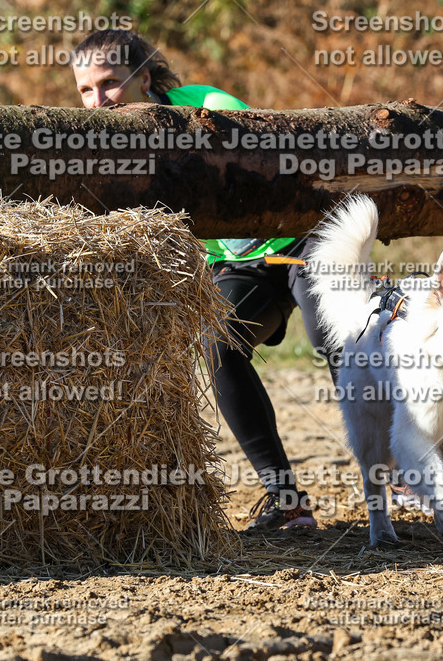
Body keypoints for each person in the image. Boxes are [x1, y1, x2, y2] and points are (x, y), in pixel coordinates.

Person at [72, 29, 330, 531]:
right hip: (242, 265)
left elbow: (269, 160)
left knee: (333, 337)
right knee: (217, 344)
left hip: (301, 238)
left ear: (143, 78)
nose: (99, 102)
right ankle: (286, 500)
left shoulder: (209, 104)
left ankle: (401, 472)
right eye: (85, 90)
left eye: (110, 84)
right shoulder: (96, 143)